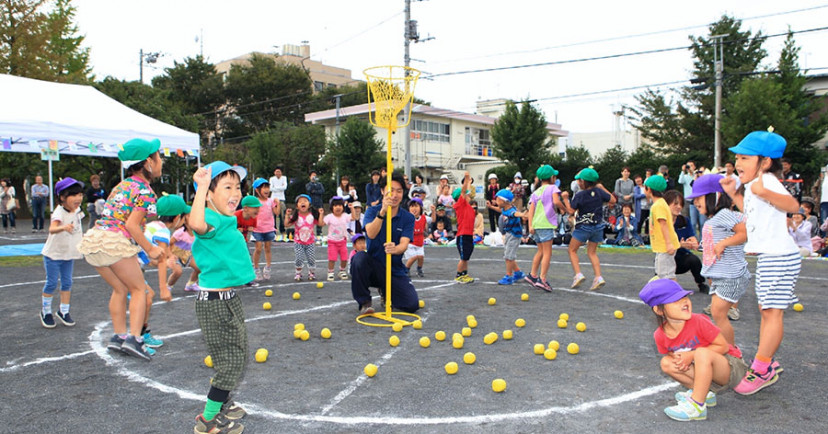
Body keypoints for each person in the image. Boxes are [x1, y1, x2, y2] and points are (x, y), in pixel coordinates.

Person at [721, 129, 801, 395]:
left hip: (778, 255)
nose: (738, 163)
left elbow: (792, 205)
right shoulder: (757, 184)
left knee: (771, 312)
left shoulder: (766, 181)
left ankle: (763, 367)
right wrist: (735, 195)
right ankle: (766, 361)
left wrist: (763, 192)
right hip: (773, 255)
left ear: (765, 162)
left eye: (744, 157)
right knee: (768, 311)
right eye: (737, 158)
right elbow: (753, 214)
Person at [76, 138, 163, 360]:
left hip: (95, 240)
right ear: (148, 163)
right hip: (114, 241)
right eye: (158, 156)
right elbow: (131, 225)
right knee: (139, 290)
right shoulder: (145, 190)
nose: (160, 161)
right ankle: (135, 339)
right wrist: (151, 249)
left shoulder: (121, 185)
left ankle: (119, 336)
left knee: (119, 289)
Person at [189, 161, 254, 434]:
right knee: (231, 363)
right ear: (208, 195)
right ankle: (208, 419)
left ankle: (223, 401)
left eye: (237, 186)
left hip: (228, 300)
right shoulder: (209, 218)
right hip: (214, 304)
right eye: (227, 187)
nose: (235, 192)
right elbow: (196, 223)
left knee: (238, 352)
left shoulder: (225, 219)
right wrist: (202, 187)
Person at [639, 279, 748, 422]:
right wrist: (684, 359)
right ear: (659, 310)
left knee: (701, 352)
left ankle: (697, 406)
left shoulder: (698, 321)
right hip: (707, 372)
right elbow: (675, 356)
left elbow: (723, 346)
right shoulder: (660, 335)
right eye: (676, 300)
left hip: (730, 368)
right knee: (667, 362)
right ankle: (705, 393)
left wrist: (691, 355)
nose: (684, 302)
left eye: (685, 297)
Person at [350, 174, 419, 314]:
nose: (394, 195)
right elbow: (370, 233)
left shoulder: (408, 218)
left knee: (411, 305)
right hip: (373, 266)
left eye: (399, 191)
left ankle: (386, 292)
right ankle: (364, 302)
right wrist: (382, 213)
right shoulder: (372, 211)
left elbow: (403, 245)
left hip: (394, 268)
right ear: (382, 191)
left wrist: (396, 248)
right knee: (358, 259)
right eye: (391, 190)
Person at [136, 194, 189, 355]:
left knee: (147, 298)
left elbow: (159, 253)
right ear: (177, 217)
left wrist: (169, 257)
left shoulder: (155, 225)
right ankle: (137, 339)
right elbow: (160, 260)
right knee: (146, 298)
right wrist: (163, 288)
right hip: (130, 267)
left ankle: (142, 334)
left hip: (133, 265)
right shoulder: (164, 231)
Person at [39, 177, 85, 328]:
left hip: (68, 253)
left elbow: (79, 225)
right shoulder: (59, 212)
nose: (78, 198)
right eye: (74, 195)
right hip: (53, 254)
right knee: (52, 283)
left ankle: (63, 311)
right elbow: (52, 229)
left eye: (80, 194)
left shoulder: (77, 210)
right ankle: (46, 312)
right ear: (63, 198)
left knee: (67, 282)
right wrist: (63, 227)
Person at [563, 167, 615, 290]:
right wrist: (601, 188)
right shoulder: (599, 192)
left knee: (572, 250)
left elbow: (571, 211)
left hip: (583, 227)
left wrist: (565, 199)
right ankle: (598, 277)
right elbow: (613, 199)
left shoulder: (580, 195)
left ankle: (578, 274)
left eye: (580, 181)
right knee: (592, 252)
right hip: (597, 227)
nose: (578, 183)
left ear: (584, 182)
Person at [522, 165, 562, 291]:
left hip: (536, 225)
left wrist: (530, 226)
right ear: (551, 177)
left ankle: (533, 275)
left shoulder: (536, 192)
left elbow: (531, 210)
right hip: (546, 224)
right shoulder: (553, 188)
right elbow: (556, 202)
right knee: (547, 253)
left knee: (540, 251)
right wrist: (564, 208)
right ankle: (542, 279)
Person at [664, 191, 709, 294]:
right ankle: (660, 281)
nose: (679, 207)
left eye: (681, 204)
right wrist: (679, 245)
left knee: (694, 260)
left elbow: (692, 236)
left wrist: (693, 243)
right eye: (675, 204)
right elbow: (663, 245)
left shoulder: (685, 220)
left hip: (681, 260)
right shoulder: (662, 222)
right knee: (662, 265)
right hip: (666, 259)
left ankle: (701, 283)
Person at [487, 189, 526, 285]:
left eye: (497, 199)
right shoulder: (505, 209)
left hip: (514, 235)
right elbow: (500, 210)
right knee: (509, 255)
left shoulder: (511, 210)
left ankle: (508, 276)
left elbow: (515, 214)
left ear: (504, 201)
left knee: (508, 256)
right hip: (509, 234)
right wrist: (491, 207)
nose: (495, 201)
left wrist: (522, 214)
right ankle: (518, 273)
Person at [645, 174, 679, 281]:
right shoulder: (660, 203)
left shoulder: (658, 205)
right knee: (665, 274)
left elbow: (663, 224)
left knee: (666, 275)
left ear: (649, 189)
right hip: (662, 246)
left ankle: (675, 296)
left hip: (665, 246)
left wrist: (668, 244)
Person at [285, 194, 324, 281]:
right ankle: (298, 273)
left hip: (310, 242)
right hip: (298, 242)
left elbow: (321, 224)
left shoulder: (312, 216)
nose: (303, 203)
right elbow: (287, 224)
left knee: (311, 258)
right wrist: (287, 215)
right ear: (297, 206)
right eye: (300, 202)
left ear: (309, 205)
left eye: (305, 201)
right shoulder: (296, 216)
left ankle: (311, 273)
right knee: (299, 258)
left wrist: (321, 214)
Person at [250, 178, 280, 281]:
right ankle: (256, 268)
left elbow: (276, 213)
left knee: (268, 248)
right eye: (264, 188)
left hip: (269, 228)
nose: (267, 190)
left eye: (267, 187)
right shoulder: (255, 201)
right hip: (257, 229)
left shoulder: (270, 201)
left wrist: (278, 204)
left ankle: (268, 267)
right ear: (257, 190)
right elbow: (251, 213)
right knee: (258, 249)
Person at [453, 172, 476, 284]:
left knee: (466, 256)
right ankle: (458, 274)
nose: (468, 196)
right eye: (467, 195)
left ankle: (464, 274)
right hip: (462, 235)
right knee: (463, 257)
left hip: (468, 234)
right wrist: (467, 180)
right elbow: (463, 192)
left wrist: (469, 183)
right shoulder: (460, 204)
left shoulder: (468, 207)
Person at [168, 215, 201, 293]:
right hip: (177, 254)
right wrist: (170, 255)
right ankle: (168, 286)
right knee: (178, 272)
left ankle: (191, 284)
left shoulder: (197, 232)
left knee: (199, 267)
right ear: (184, 220)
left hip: (188, 255)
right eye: (189, 216)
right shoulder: (180, 232)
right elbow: (169, 243)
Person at [234, 195, 262, 287]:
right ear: (245, 208)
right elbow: (226, 228)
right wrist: (235, 229)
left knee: (246, 259)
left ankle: (247, 279)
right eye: (255, 208)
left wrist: (252, 229)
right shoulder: (235, 216)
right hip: (231, 242)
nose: (257, 210)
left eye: (258, 208)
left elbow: (253, 228)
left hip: (243, 241)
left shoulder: (253, 219)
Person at [322, 196, 350, 280]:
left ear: (343, 207)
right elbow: (321, 224)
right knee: (332, 258)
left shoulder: (345, 216)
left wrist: (351, 208)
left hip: (342, 241)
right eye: (335, 206)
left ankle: (342, 271)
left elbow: (354, 218)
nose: (338, 207)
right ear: (332, 207)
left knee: (344, 258)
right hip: (332, 242)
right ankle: (330, 272)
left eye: (340, 206)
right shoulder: (329, 217)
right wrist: (320, 214)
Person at [678, 161, 706, 239]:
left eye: (691, 165)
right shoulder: (685, 176)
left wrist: (697, 175)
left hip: (698, 200)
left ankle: (702, 239)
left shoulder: (697, 175)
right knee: (690, 222)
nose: (689, 167)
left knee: (701, 222)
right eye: (688, 166)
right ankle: (693, 238)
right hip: (687, 200)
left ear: (694, 167)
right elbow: (680, 181)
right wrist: (682, 171)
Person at [404, 198, 428, 277]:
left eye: (416, 206)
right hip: (410, 242)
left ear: (420, 208)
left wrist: (433, 211)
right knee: (413, 257)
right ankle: (406, 269)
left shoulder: (423, 218)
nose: (414, 208)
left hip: (419, 242)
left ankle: (419, 269)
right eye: (412, 206)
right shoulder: (407, 218)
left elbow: (431, 221)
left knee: (421, 256)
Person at [268, 166, 288, 240]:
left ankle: (282, 229)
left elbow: (285, 187)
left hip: (281, 199)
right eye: (276, 171)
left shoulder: (284, 178)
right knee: (273, 215)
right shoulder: (272, 179)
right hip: (273, 198)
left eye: (279, 171)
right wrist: (279, 187)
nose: (277, 173)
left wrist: (275, 188)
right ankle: (273, 230)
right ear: (274, 172)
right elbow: (270, 188)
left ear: (281, 172)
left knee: (282, 215)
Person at [305, 171, 325, 236]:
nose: (314, 177)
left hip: (319, 203)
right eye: (312, 175)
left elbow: (322, 191)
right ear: (310, 177)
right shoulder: (308, 184)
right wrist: (312, 183)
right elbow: (309, 190)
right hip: (311, 203)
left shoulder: (319, 184)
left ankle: (319, 232)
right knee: (310, 218)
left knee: (319, 217)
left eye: (315, 176)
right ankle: (310, 231)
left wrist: (314, 191)